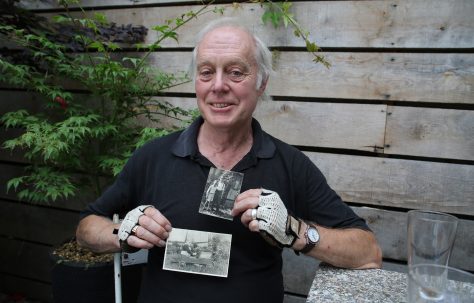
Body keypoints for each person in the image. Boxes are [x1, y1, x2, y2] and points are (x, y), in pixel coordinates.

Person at [76, 17, 382, 303]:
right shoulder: (153, 156)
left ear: (261, 83)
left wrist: (295, 231)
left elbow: (368, 252)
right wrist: (122, 232)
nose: (218, 85)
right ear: (196, 82)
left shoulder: (290, 164)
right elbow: (86, 228)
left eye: (236, 72)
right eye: (206, 72)